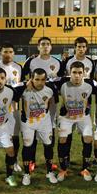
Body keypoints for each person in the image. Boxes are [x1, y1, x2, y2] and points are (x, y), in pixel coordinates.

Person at [23, 37, 62, 172]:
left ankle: (50, 162)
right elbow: (23, 78)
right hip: (33, 101)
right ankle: (32, 161)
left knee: (50, 131)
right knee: (32, 132)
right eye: (42, 44)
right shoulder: (31, 61)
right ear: (38, 47)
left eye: (47, 44)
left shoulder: (57, 62)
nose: (45, 46)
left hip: (50, 101)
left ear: (51, 47)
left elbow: (60, 80)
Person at [0, 42, 24, 175]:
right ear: (0, 53)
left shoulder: (19, 67)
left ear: (14, 54)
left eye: (10, 52)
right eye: (5, 52)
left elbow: (20, 86)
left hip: (13, 108)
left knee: (15, 136)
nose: (7, 54)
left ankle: (14, 161)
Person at [56, 61, 96, 182]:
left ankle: (85, 168)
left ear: (84, 73)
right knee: (62, 138)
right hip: (66, 117)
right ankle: (63, 169)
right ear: (70, 73)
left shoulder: (90, 84)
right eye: (74, 72)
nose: (77, 75)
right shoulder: (62, 82)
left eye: (80, 73)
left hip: (83, 117)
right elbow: (44, 82)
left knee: (88, 138)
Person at [19, 68, 59, 185]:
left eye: (43, 80)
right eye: (36, 79)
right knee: (27, 146)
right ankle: (26, 174)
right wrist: (24, 85)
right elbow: (10, 90)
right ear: (31, 79)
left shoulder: (50, 89)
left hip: (44, 122)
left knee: (48, 145)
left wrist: (53, 120)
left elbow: (53, 103)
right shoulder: (24, 88)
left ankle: (49, 171)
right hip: (28, 123)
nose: (40, 82)